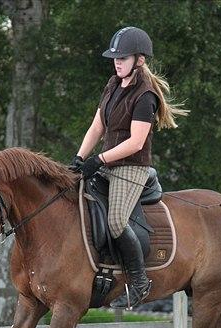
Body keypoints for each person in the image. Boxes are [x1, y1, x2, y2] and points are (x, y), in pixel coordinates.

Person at [72, 26, 188, 309]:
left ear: (140, 60)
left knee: (116, 222)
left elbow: (136, 143)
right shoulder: (112, 84)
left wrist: (98, 160)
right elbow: (98, 125)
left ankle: (138, 281)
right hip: (107, 164)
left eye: (123, 57)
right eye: (115, 57)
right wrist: (79, 158)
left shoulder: (145, 95)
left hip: (131, 169)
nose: (117, 61)